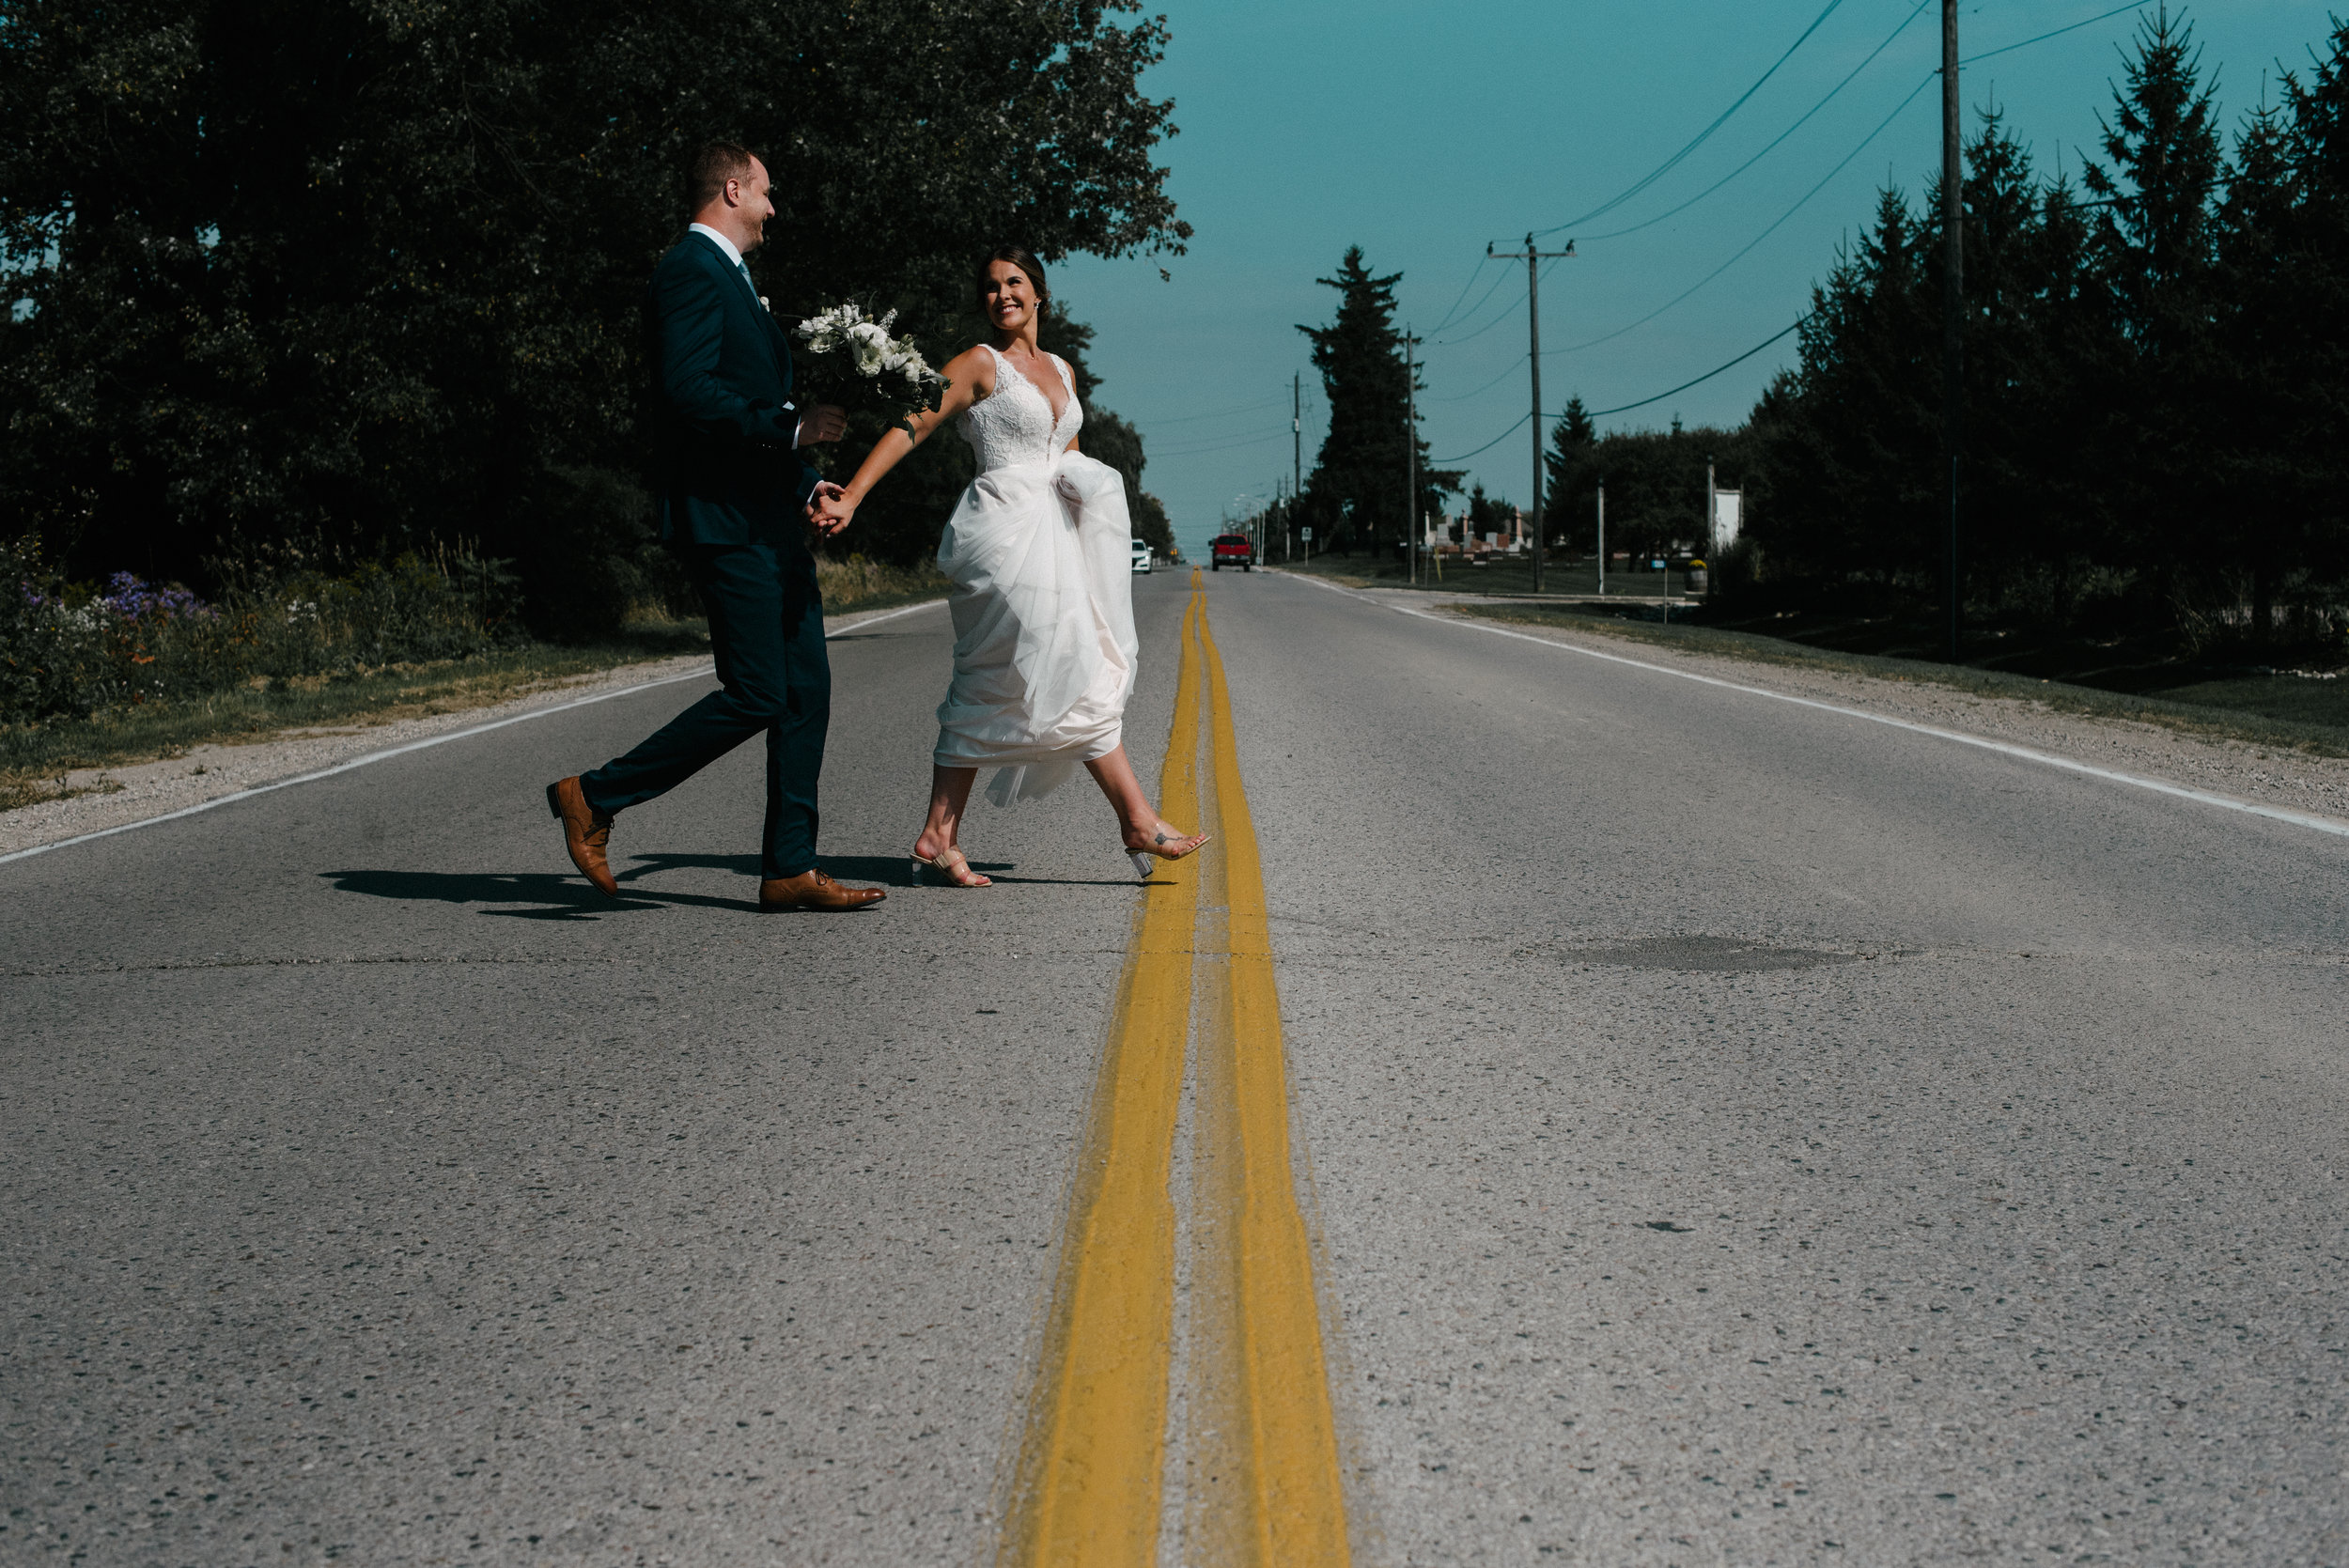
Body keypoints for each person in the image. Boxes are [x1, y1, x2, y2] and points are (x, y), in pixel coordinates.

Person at [546, 141, 886, 912]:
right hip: (724, 522)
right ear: (732, 190)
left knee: (806, 690)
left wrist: (803, 481)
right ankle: (594, 797)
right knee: (759, 691)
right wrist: (791, 430)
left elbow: (747, 414)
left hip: (768, 519)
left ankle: (789, 866)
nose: (773, 209)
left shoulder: (735, 280)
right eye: (766, 193)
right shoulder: (688, 271)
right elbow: (689, 391)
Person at [809, 245, 1206, 889]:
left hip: (1059, 543)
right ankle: (1135, 818)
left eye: (1014, 282)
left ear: (1039, 293)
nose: (1002, 295)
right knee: (1048, 667)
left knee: (1017, 675)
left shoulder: (1063, 370)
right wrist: (852, 494)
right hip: (1004, 536)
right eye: (991, 287)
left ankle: (941, 831)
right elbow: (914, 423)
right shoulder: (977, 365)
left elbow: (1069, 456)